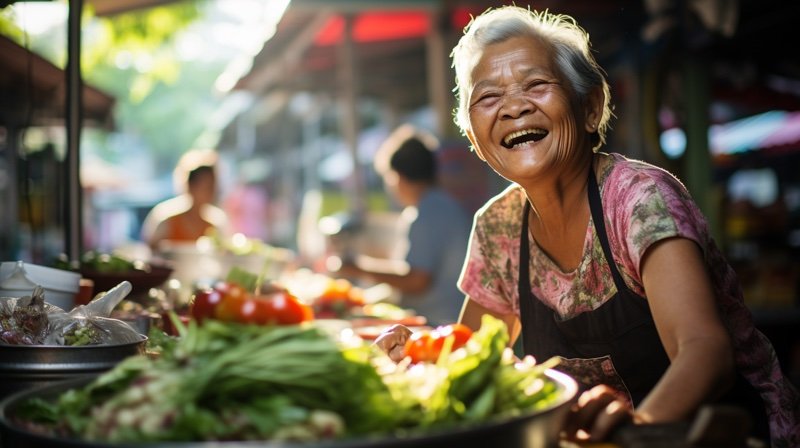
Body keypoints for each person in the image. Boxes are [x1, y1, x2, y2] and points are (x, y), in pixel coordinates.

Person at [374, 6, 799, 446]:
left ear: (590, 107)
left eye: (536, 85)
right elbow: (475, 361)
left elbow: (705, 351)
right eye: (487, 98)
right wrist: (418, 356)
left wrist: (636, 429)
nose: (514, 108)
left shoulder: (639, 199)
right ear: (477, 140)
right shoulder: (497, 227)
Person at [331, 124, 472, 326]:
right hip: (441, 319)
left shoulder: (428, 211)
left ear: (398, 177)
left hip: (440, 323)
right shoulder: (439, 205)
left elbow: (417, 280)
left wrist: (358, 268)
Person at [141, 149, 228, 252]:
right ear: (190, 185)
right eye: (206, 186)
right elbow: (151, 250)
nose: (211, 191)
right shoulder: (166, 218)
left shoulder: (216, 222)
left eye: (213, 185)